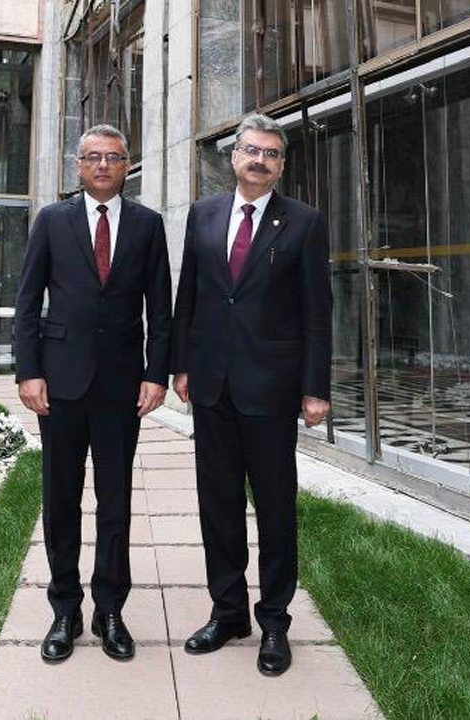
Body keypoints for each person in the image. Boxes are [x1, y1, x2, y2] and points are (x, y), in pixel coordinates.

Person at [170, 113, 332, 676]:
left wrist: (315, 387)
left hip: (272, 388)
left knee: (275, 510)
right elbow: (189, 295)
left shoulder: (304, 222)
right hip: (211, 385)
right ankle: (228, 613)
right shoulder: (204, 214)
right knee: (217, 506)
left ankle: (275, 622)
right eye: (251, 150)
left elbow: (317, 311)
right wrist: (181, 364)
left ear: (281, 165)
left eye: (271, 153)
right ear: (234, 156)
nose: (260, 160)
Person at [14, 125, 172, 663]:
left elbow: (161, 309)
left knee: (115, 501)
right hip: (59, 383)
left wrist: (156, 374)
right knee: (60, 499)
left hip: (121, 385)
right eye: (93, 157)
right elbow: (28, 300)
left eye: (114, 157)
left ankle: (110, 610)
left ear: (127, 166)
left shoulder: (148, 225)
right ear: (78, 165)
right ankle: (65, 610)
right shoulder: (51, 221)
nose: (103, 165)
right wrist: (28, 371)